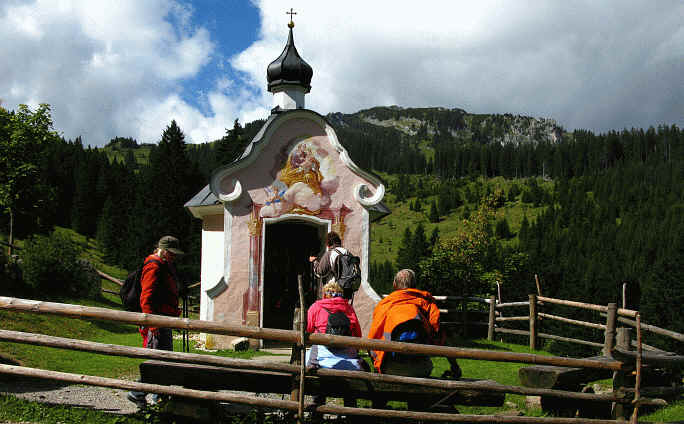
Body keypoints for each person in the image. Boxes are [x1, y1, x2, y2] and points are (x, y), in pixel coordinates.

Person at [368, 269, 461, 409]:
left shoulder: (384, 305)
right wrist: (455, 366)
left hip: (390, 368)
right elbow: (440, 338)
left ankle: (379, 410)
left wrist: (377, 363)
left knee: (382, 376)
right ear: (415, 285)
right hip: (420, 368)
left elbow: (373, 339)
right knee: (420, 377)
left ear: (394, 285)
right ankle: (416, 410)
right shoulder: (427, 304)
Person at [127, 235, 184, 408]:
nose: (174, 257)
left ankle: (160, 396)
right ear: (163, 250)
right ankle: (137, 392)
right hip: (156, 322)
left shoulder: (165, 265)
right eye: (172, 253)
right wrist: (152, 323)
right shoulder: (153, 265)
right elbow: (146, 296)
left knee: (164, 361)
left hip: (163, 320)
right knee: (155, 360)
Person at [305, 281, 366, 410]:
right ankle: (350, 411)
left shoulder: (315, 307)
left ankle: (317, 409)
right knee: (350, 388)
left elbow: (308, 330)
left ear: (324, 294)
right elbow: (357, 335)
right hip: (348, 363)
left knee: (309, 362)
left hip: (321, 361)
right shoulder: (348, 309)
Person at [309, 231, 354, 300]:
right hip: (347, 290)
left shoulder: (330, 254)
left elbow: (320, 272)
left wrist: (315, 261)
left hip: (333, 291)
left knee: (332, 310)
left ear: (328, 243)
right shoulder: (348, 253)